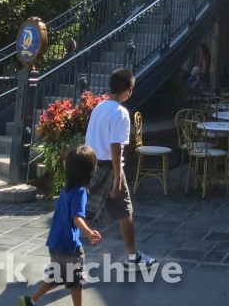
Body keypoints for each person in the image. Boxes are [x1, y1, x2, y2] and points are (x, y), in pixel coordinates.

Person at [84, 68, 157, 269]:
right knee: (125, 210)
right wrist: (118, 175)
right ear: (129, 90)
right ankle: (132, 257)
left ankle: (62, 253)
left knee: (80, 210)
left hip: (91, 164)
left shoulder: (99, 108)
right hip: (109, 167)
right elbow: (116, 145)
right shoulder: (121, 112)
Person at [17, 146, 102, 306]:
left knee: (57, 276)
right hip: (69, 247)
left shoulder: (67, 189)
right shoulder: (80, 192)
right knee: (76, 281)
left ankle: (30, 300)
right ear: (89, 171)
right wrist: (89, 233)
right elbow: (77, 218)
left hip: (55, 243)